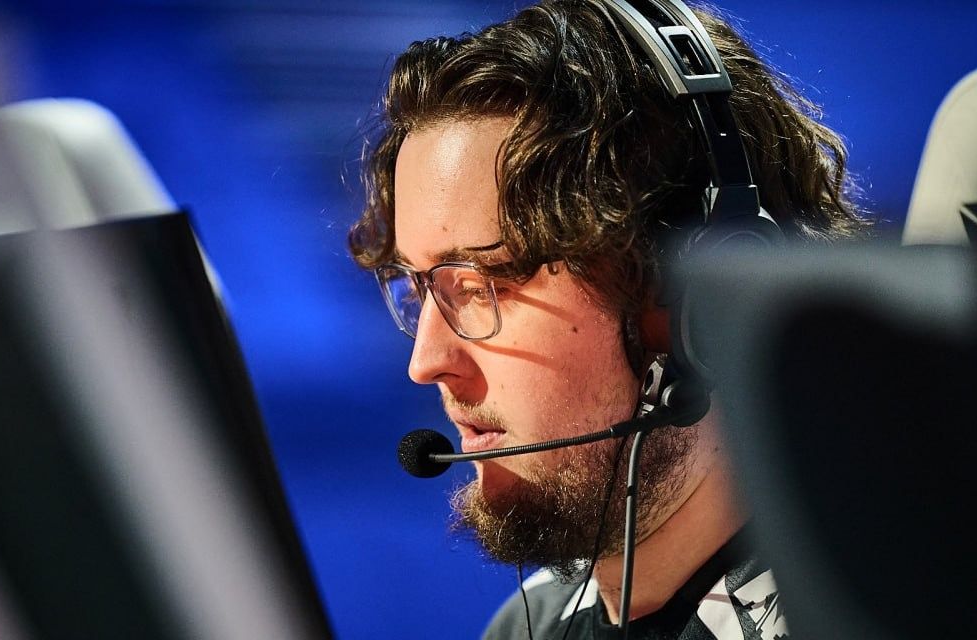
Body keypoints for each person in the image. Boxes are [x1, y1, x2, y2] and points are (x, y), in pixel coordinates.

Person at [348, 1, 868, 637]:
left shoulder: (880, 614)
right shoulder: (531, 623)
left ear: (697, 303)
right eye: (417, 288)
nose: (426, 362)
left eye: (480, 287)